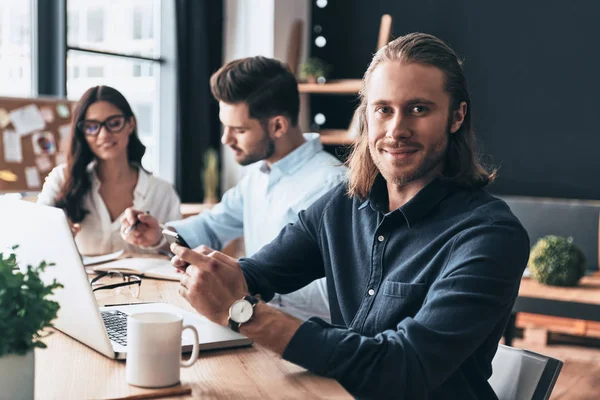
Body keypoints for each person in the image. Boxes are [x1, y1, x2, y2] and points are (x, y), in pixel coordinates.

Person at [170, 33, 530, 399]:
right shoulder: (340, 205)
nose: (396, 130)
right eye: (383, 109)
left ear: (456, 116)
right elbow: (258, 274)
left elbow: (401, 367)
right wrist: (210, 273)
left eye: (419, 109)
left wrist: (246, 314)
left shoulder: (491, 235)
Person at [121, 56, 346, 321]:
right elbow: (212, 225)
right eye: (224, 126)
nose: (225, 139)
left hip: (298, 338)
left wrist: (243, 277)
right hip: (250, 323)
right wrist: (158, 234)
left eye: (238, 130)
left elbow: (336, 295)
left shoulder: (333, 186)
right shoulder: (259, 176)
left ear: (278, 126)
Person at [37, 86, 181, 255]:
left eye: (114, 124)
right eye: (92, 127)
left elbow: (179, 253)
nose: (104, 134)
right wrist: (56, 234)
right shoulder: (61, 179)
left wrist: (157, 241)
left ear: (131, 124)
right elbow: (36, 235)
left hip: (145, 282)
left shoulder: (161, 192)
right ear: (82, 133)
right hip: (82, 282)